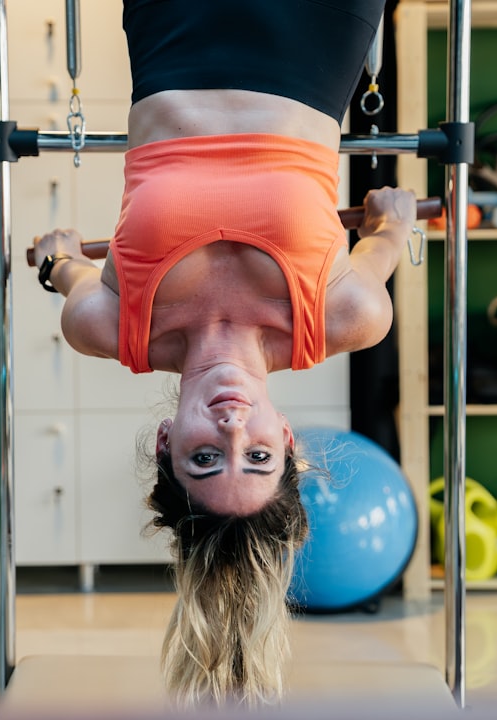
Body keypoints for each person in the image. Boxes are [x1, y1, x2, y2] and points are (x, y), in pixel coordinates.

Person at [30, 0, 417, 708]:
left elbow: (66, 270)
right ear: (287, 441)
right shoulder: (346, 315)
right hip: (311, 39)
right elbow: (386, 237)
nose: (234, 427)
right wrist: (392, 219)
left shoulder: (109, 325)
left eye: (207, 458)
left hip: (179, 30)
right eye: (259, 457)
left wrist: (54, 259)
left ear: (169, 444)